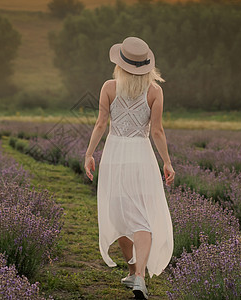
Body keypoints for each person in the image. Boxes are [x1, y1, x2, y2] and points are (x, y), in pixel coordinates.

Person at [83, 36, 174, 299]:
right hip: (142, 155)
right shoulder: (155, 91)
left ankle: (134, 270)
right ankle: (139, 276)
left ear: (120, 63)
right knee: (142, 217)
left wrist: (90, 154)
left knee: (120, 214)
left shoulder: (109, 87)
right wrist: (167, 162)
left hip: (115, 154)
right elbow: (156, 131)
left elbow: (101, 124)